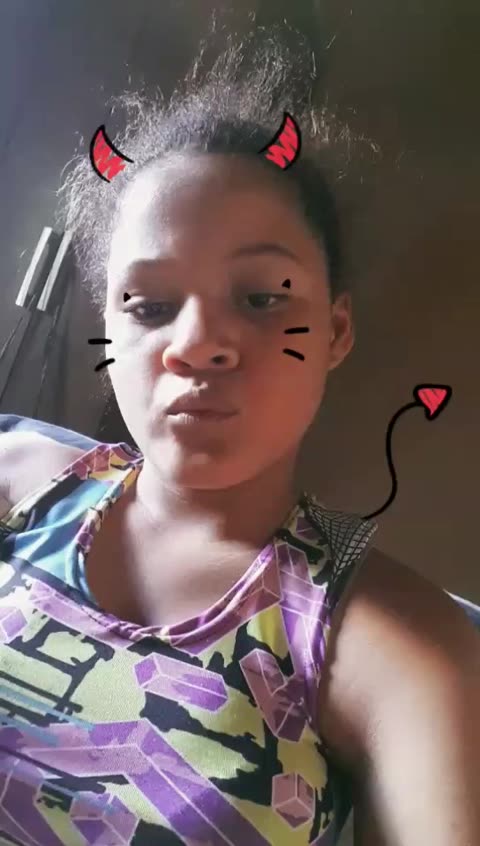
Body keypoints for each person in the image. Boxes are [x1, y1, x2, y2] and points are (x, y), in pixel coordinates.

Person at [0, 22, 478, 846]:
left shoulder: (394, 648)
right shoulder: (16, 478)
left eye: (261, 299)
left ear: (334, 332)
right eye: (150, 306)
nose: (195, 344)